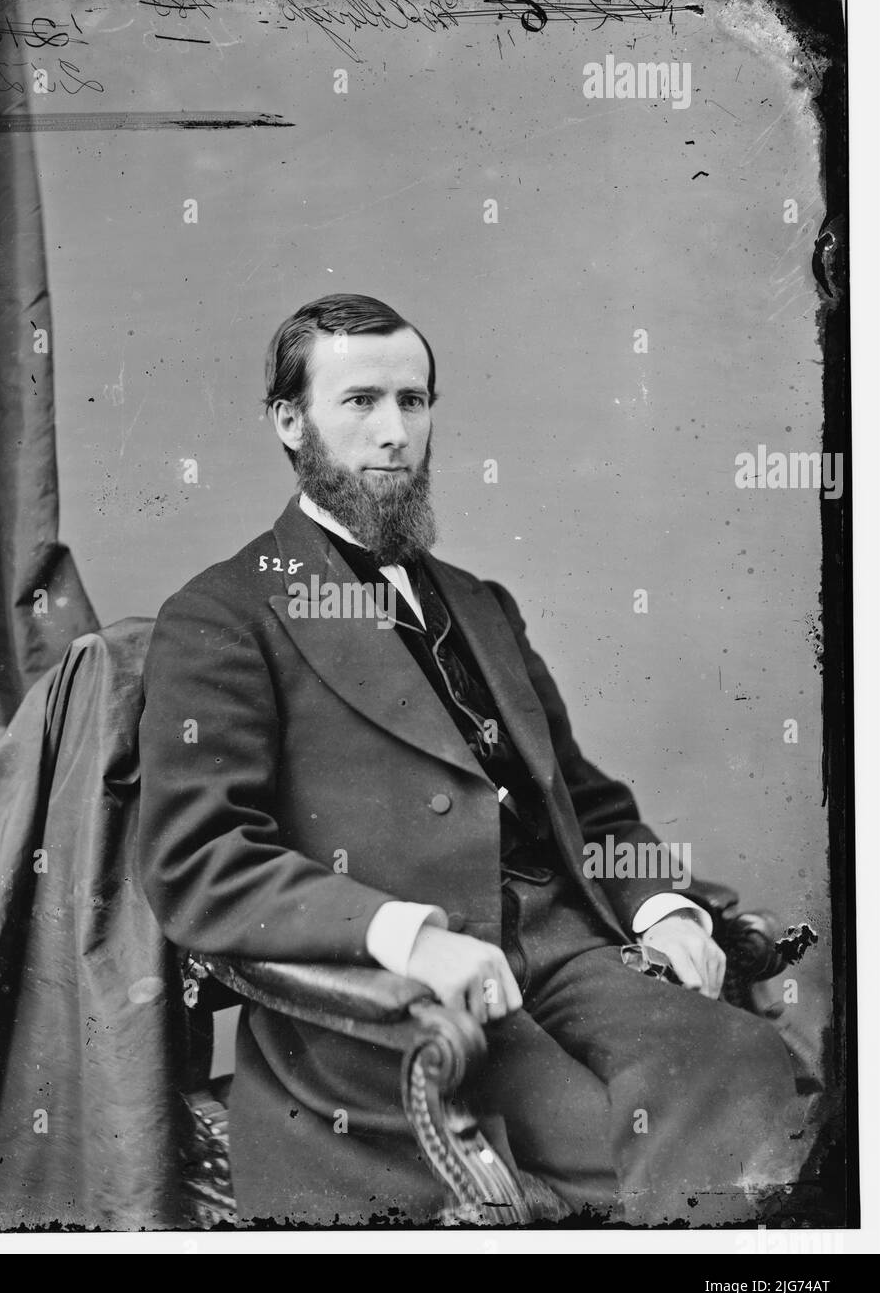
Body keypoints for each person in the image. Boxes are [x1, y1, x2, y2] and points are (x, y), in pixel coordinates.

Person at [137, 293, 800, 1226]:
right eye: (359, 402)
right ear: (289, 422)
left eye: (413, 402)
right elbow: (198, 860)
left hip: (570, 950)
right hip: (402, 1013)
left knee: (750, 1076)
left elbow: (583, 800)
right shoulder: (222, 616)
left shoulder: (479, 603)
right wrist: (405, 936)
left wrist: (660, 902)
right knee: (648, 1163)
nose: (393, 431)